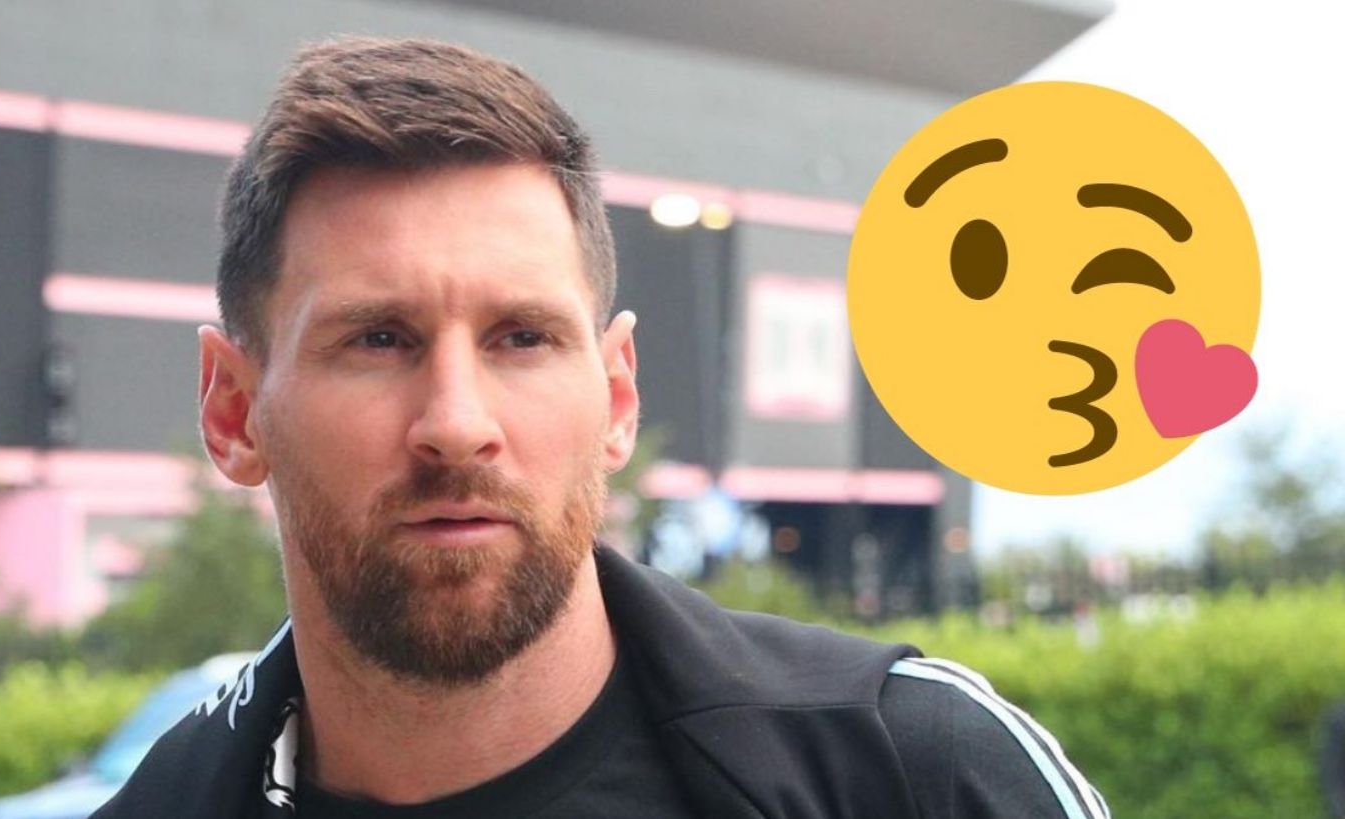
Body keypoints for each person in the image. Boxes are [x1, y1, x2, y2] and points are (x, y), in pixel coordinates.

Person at [93, 36, 1110, 819]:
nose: (457, 424)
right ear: (233, 412)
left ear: (618, 397)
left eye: (522, 337)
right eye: (378, 339)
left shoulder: (913, 775)